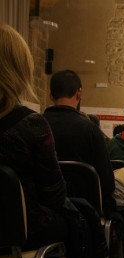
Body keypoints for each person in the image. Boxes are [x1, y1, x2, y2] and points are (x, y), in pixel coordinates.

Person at [0, 24, 99, 258]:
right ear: (19, 67)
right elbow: (54, 194)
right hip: (19, 231)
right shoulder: (30, 124)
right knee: (77, 217)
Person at [43, 70, 117, 216]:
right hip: (85, 210)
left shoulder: (35, 124)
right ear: (79, 94)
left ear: (50, 95)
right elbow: (107, 183)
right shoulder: (90, 129)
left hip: (43, 207)